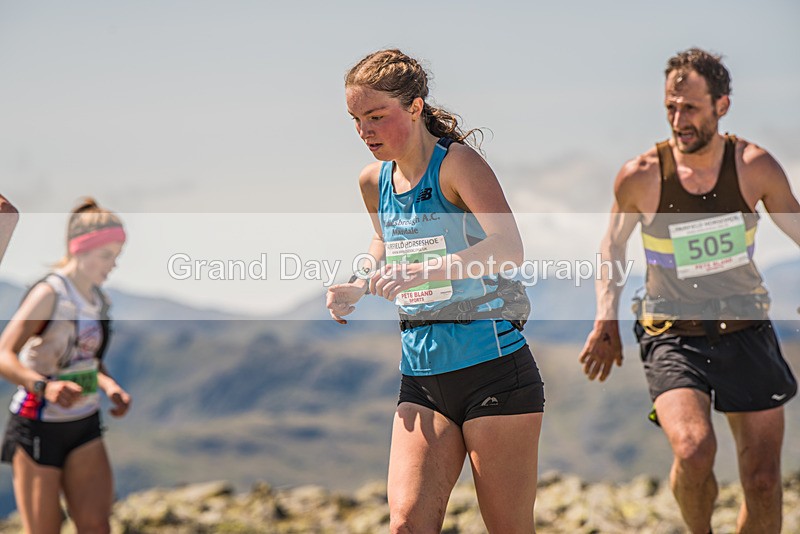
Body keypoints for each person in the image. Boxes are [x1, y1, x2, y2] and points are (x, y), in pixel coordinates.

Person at [579, 48, 799, 534]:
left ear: (722, 105)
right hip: (672, 334)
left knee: (763, 481)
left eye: (691, 108)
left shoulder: (754, 166)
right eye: (671, 108)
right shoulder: (640, 175)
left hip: (746, 329)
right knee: (695, 450)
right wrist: (605, 317)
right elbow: (612, 246)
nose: (679, 120)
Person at [327, 49, 544, 533]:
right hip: (421, 375)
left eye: (376, 116)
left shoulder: (458, 165)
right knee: (405, 525)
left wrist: (426, 272)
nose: (364, 130)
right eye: (355, 119)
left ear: (416, 107)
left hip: (493, 369)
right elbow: (383, 241)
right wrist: (359, 283)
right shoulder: (372, 181)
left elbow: (509, 247)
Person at [0, 198, 132, 534]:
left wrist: (110, 387)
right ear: (80, 249)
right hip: (37, 424)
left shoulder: (99, 300)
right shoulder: (49, 294)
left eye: (117, 256)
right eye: (107, 255)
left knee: (96, 526)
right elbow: (4, 354)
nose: (113, 265)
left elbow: (88, 360)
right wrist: (45, 387)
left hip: (84, 422)